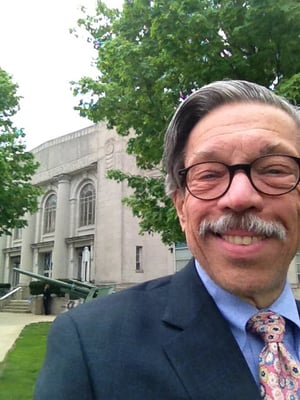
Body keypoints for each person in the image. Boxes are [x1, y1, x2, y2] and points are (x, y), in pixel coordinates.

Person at [34, 80, 300, 399]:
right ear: (181, 208)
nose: (240, 197)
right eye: (210, 174)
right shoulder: (89, 345)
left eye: (274, 170)